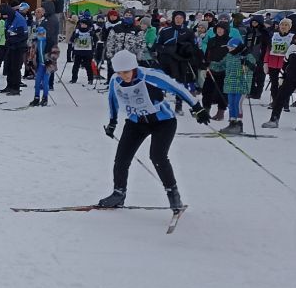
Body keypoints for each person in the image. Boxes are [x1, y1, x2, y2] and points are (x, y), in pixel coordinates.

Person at [99, 49, 209, 212]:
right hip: (136, 122)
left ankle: (173, 194)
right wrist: (112, 122)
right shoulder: (116, 81)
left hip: (163, 122)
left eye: (127, 72)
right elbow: (112, 100)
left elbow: (177, 87)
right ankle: (119, 193)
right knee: (121, 158)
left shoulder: (150, 76)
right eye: (120, 73)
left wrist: (197, 107)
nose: (124, 76)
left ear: (134, 67)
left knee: (157, 156)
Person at [209, 31, 256, 134]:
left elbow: (253, 68)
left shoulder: (247, 56)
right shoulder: (229, 56)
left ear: (237, 47)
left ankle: (238, 124)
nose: (229, 50)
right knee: (231, 104)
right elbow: (221, 65)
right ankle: (232, 122)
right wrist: (210, 64)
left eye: (231, 48)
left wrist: (247, 64)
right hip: (230, 84)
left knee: (237, 104)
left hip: (241, 85)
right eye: (228, 48)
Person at [263, 17, 295, 109]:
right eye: (282, 25)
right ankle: (275, 101)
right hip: (272, 63)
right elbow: (268, 50)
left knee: (285, 84)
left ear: (289, 27)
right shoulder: (274, 35)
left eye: (286, 25)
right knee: (274, 84)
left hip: (285, 64)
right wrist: (265, 62)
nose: (283, 27)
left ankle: (285, 103)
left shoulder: (292, 37)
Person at [1, 3, 29, 94]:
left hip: (18, 47)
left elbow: (23, 36)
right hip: (10, 46)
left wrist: (12, 40)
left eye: (5, 14)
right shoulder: (8, 18)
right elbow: (6, 31)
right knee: (8, 66)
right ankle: (9, 85)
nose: (4, 17)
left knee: (15, 67)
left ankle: (16, 87)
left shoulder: (19, 19)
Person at [68, 15, 97, 84]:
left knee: (88, 66)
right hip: (78, 51)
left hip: (87, 52)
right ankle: (74, 78)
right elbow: (71, 40)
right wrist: (75, 36)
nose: (83, 25)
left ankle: (90, 79)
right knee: (76, 66)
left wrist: (93, 35)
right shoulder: (77, 31)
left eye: (84, 24)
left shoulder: (90, 31)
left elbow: (96, 40)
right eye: (82, 24)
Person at [29, 21, 51, 107]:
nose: (41, 35)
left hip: (48, 65)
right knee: (37, 81)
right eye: (40, 34)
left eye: (43, 33)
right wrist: (30, 60)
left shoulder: (49, 41)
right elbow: (33, 52)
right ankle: (36, 98)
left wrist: (50, 59)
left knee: (45, 82)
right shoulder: (36, 42)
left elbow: (56, 52)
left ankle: (45, 98)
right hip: (40, 64)